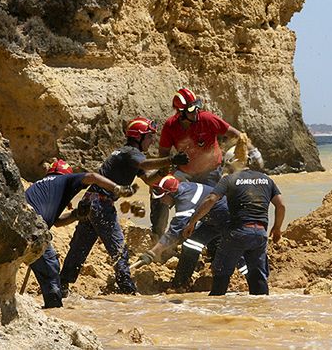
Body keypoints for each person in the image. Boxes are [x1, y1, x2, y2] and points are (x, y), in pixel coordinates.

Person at [59, 117, 189, 296]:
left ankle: (61, 285)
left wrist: (163, 170)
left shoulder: (127, 154)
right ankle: (128, 291)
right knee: (119, 250)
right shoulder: (131, 153)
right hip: (101, 203)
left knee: (80, 248)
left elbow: (149, 180)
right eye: (149, 137)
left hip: (90, 202)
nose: (152, 141)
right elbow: (144, 164)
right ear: (139, 137)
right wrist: (170, 159)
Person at [150, 87, 263, 238]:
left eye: (196, 107)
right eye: (191, 109)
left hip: (210, 172)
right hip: (185, 172)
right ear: (180, 112)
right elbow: (163, 153)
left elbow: (236, 135)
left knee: (212, 207)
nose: (195, 112)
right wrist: (164, 174)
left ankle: (210, 242)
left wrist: (253, 151)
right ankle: (157, 236)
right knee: (159, 194)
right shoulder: (171, 126)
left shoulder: (207, 119)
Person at [25, 159, 136, 308]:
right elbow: (92, 176)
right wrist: (117, 188)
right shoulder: (65, 179)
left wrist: (76, 214)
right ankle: (54, 310)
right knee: (51, 269)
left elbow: (57, 222)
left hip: (21, 224)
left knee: (42, 266)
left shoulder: (42, 186)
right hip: (34, 227)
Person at [182, 147, 285, 296]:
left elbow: (211, 199)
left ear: (232, 163)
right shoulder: (266, 179)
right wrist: (277, 228)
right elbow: (280, 205)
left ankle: (217, 312)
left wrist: (192, 222)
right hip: (260, 233)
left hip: (238, 233)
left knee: (221, 274)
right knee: (258, 279)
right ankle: (261, 313)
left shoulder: (229, 179)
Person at [138, 175, 248, 290]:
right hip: (212, 220)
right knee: (191, 244)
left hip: (227, 219)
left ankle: (254, 281)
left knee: (235, 252)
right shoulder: (184, 188)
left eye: (162, 197)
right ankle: (180, 285)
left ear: (170, 193)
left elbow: (173, 232)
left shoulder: (185, 200)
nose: (161, 201)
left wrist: (152, 253)